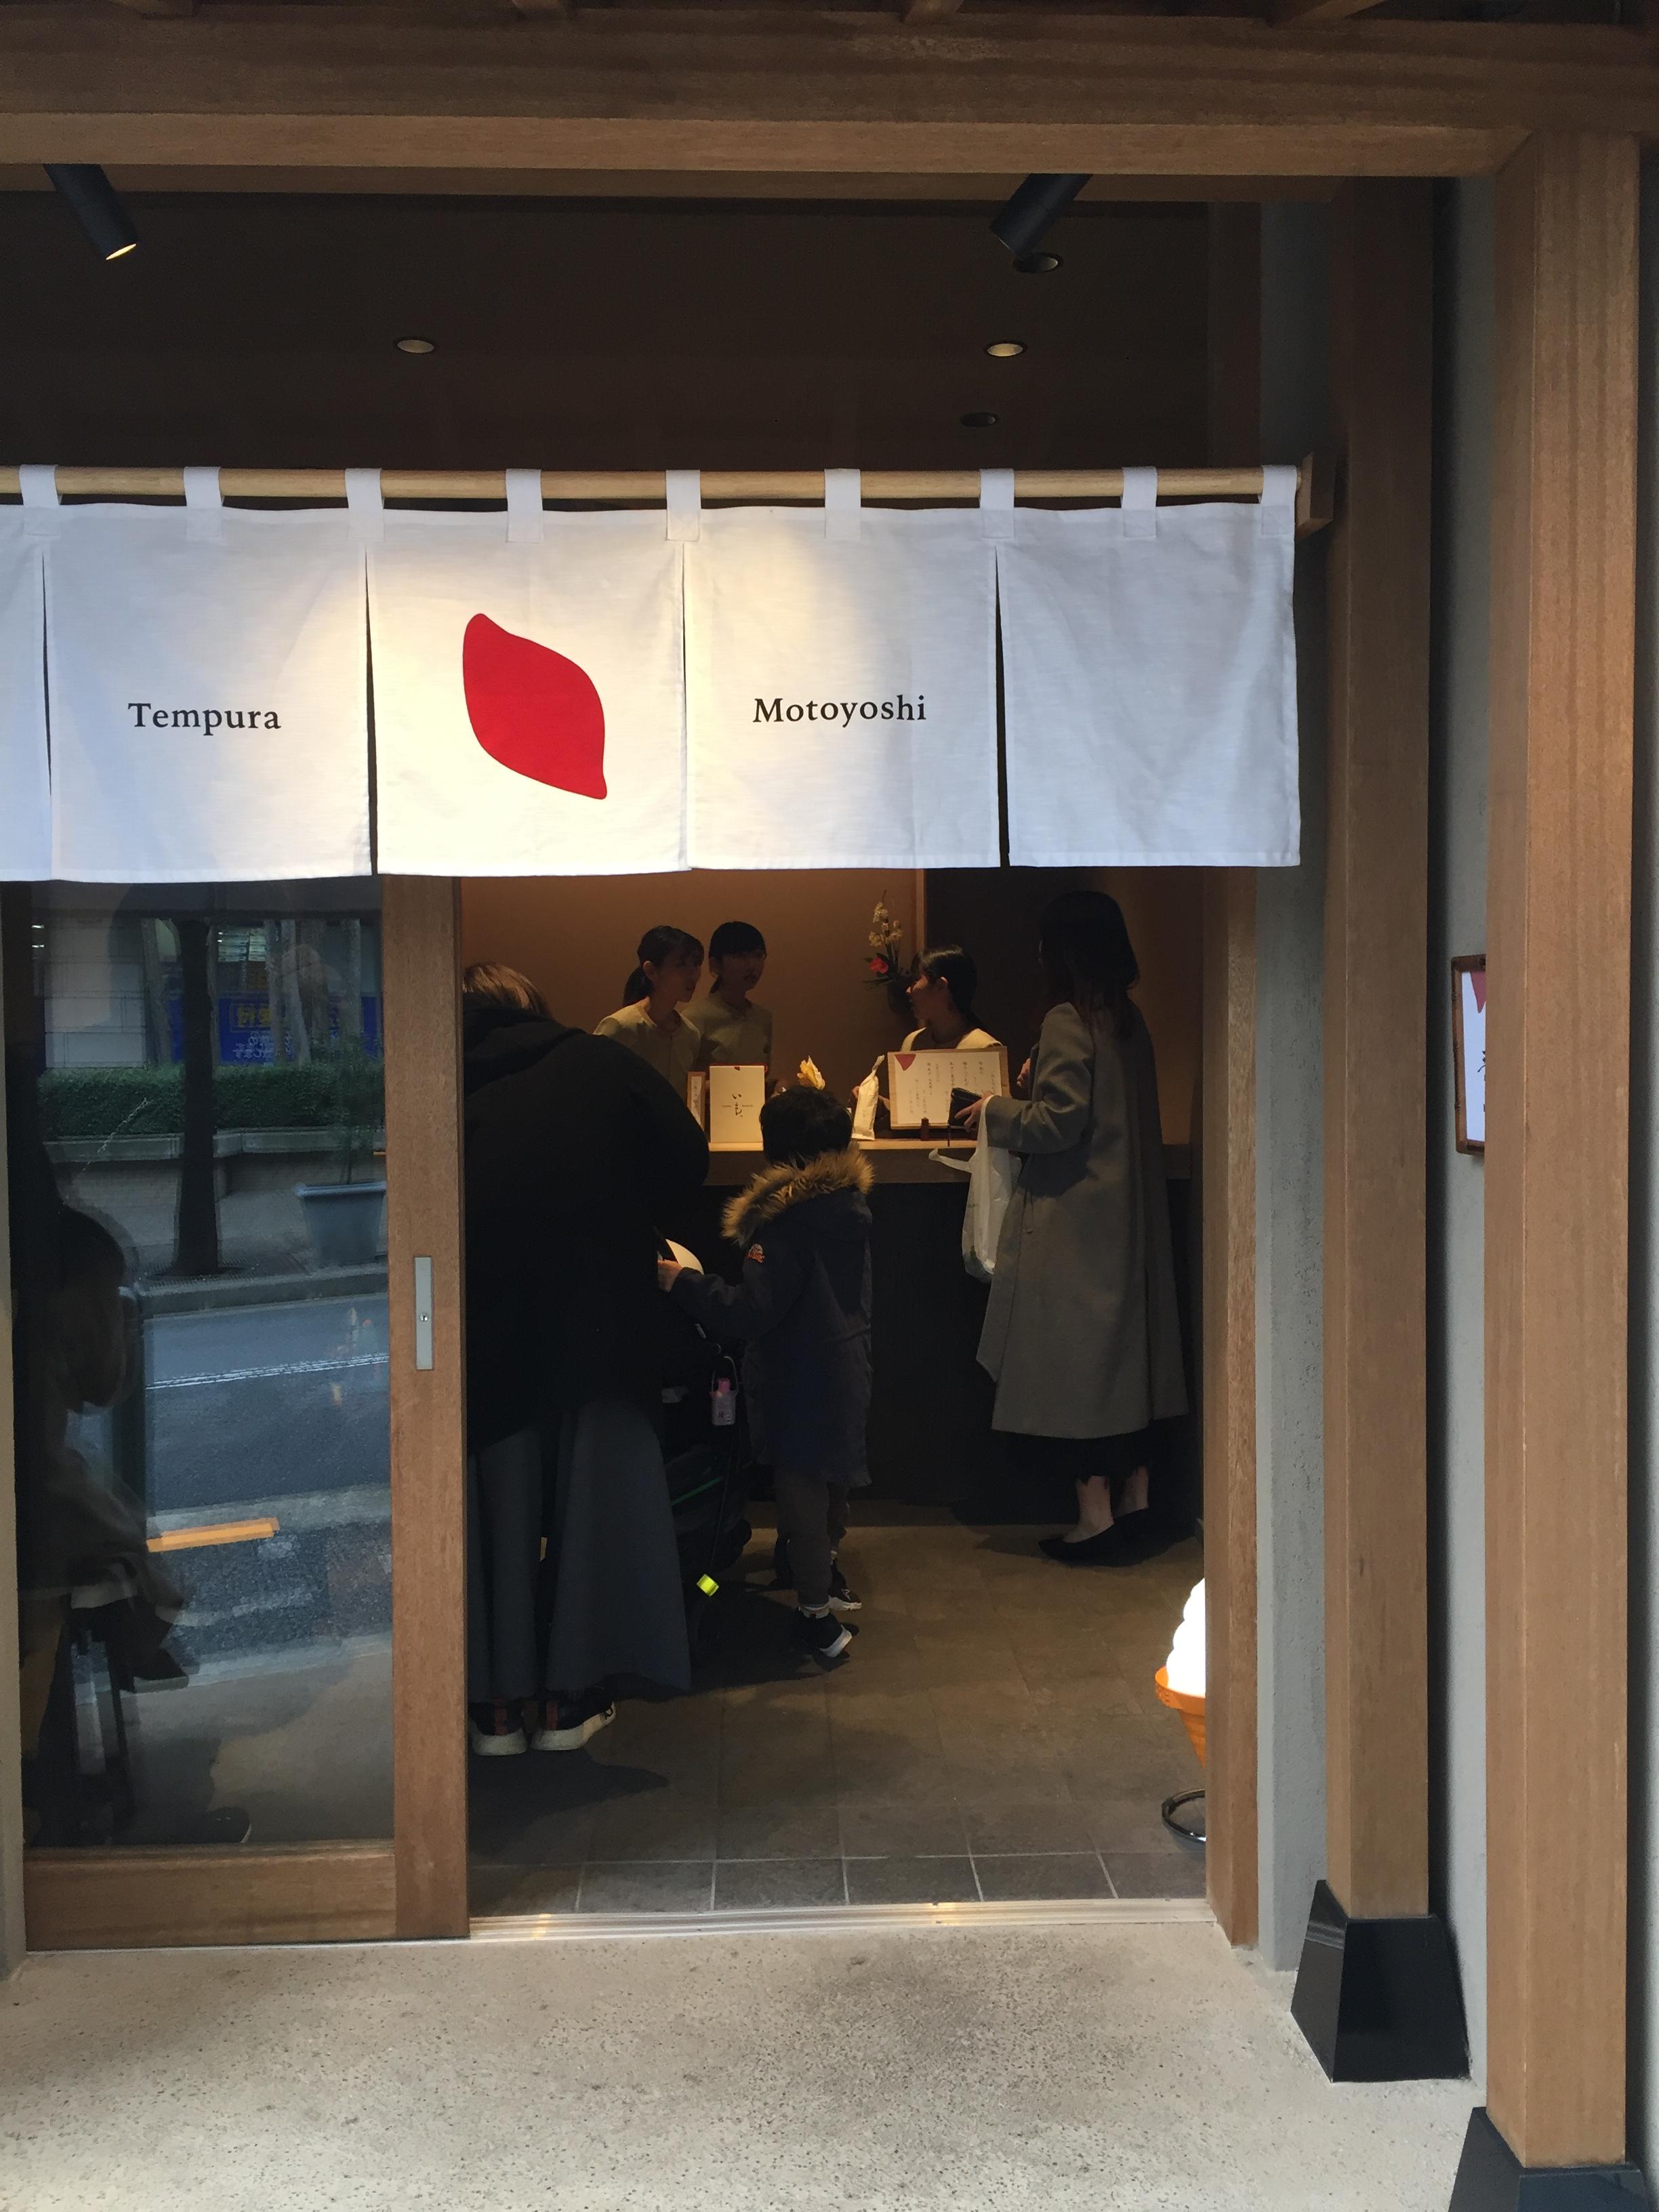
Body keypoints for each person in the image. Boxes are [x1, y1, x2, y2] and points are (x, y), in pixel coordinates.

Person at [463, 961, 710, 1753]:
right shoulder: (598, 1060)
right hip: (597, 1317)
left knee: (494, 1510)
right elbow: (688, 1159)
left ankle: (496, 1709)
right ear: (536, 1006)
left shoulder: (436, 1075)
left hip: (480, 1326)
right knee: (597, 1499)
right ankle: (568, 1703)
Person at [956, 890, 1185, 1565]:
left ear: (1061, 951)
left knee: (1078, 1377)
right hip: (1129, 1221)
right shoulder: (1127, 1020)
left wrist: (994, 1109)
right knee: (1127, 1374)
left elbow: (1059, 1123)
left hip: (1076, 1224)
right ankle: (1137, 1507)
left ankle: (1095, 1521)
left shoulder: (1066, 1019)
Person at [658, 1086, 872, 1666]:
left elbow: (752, 1312)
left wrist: (682, 1282)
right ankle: (823, 1574)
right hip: (848, 1364)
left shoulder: (785, 1224)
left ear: (775, 1152)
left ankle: (815, 1617)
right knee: (832, 1481)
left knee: (801, 1495)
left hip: (799, 1376)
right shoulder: (849, 1208)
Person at [594, 926, 705, 1097]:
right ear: (652, 971)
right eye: (681, 965)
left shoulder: (690, 1034)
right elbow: (592, 1084)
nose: (693, 974)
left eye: (696, 964)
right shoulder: (620, 1026)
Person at [687, 919, 774, 1069]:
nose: (751, 965)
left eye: (758, 956)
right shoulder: (695, 1018)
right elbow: (684, 1078)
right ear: (716, 964)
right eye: (740, 956)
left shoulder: (763, 1018)